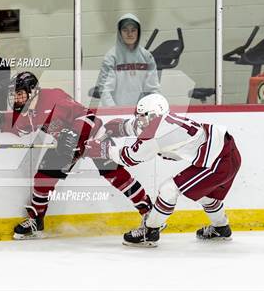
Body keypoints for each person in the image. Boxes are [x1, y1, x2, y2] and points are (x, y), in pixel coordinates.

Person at [0, 71, 155, 240]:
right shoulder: (30, 109)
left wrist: (74, 134)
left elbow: (88, 115)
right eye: (14, 95)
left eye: (19, 94)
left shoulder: (55, 98)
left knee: (114, 174)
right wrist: (0, 122)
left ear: (33, 91)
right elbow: (22, 126)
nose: (16, 99)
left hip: (92, 137)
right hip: (66, 146)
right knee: (43, 177)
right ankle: (36, 220)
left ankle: (150, 214)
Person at [84, 93, 242, 247]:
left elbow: (129, 158)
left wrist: (104, 149)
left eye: (143, 116)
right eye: (139, 115)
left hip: (219, 160)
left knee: (169, 189)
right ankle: (221, 228)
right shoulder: (160, 120)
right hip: (225, 151)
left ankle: (150, 231)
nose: (140, 120)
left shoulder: (157, 133)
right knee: (204, 195)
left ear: (154, 115)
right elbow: (137, 126)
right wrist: (121, 127)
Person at [95, 13, 160, 106]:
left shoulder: (147, 57)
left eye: (133, 30)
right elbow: (105, 90)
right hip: (117, 113)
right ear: (119, 32)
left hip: (142, 112)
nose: (129, 34)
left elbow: (153, 89)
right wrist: (114, 112)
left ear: (138, 32)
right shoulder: (111, 57)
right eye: (125, 30)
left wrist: (152, 108)